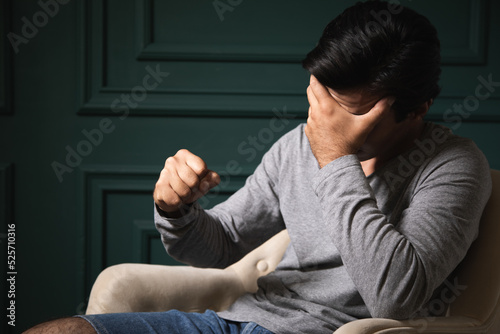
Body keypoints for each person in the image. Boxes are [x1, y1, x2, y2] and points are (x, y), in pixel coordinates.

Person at [25, 0, 492, 333]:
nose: (321, 122)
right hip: (236, 321)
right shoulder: (298, 147)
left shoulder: (453, 166)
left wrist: (335, 159)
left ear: (416, 108)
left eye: (346, 112)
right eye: (319, 100)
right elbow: (224, 243)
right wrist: (176, 210)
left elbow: (397, 296)